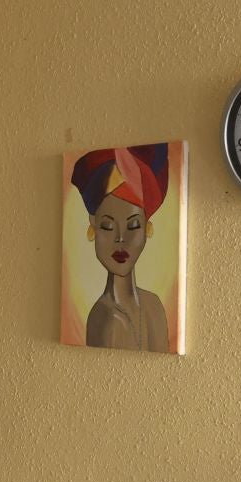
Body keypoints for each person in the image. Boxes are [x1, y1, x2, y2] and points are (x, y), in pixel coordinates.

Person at [69, 145, 171, 352]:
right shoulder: (103, 317)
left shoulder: (154, 306)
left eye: (133, 225)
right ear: (93, 227)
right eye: (107, 226)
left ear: (146, 228)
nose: (120, 238)